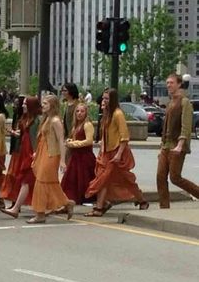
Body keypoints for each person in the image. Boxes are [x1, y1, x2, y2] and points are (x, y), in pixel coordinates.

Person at [85, 88, 148, 216]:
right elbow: (105, 134)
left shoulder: (118, 114)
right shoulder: (107, 114)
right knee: (103, 179)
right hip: (107, 153)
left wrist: (118, 155)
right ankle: (101, 206)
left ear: (112, 100)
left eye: (107, 98)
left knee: (124, 179)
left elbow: (124, 136)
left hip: (117, 152)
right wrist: (102, 150)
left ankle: (141, 200)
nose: (104, 101)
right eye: (103, 98)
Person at [28, 94, 74, 224]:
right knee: (48, 182)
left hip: (51, 154)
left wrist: (63, 161)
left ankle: (40, 213)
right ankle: (66, 203)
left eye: (46, 103)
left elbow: (61, 140)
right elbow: (42, 139)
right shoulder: (46, 119)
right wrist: (37, 152)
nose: (43, 106)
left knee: (42, 182)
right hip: (43, 152)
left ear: (52, 105)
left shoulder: (55, 121)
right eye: (42, 103)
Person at [157, 74, 199, 208]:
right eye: (167, 83)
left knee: (175, 178)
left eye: (171, 83)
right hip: (166, 146)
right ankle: (164, 207)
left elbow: (186, 126)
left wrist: (180, 145)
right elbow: (166, 126)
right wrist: (162, 145)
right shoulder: (170, 102)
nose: (169, 85)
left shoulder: (184, 102)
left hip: (177, 146)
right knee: (160, 176)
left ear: (179, 84)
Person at [1, 96, 41, 219]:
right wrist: (13, 132)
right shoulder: (27, 118)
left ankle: (16, 208)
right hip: (24, 150)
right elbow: (23, 134)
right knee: (31, 181)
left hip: (30, 152)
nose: (23, 106)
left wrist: (35, 153)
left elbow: (35, 138)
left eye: (25, 104)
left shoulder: (36, 121)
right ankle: (55, 204)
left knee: (26, 180)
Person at [60, 103, 96, 205]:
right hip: (76, 156)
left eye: (82, 111)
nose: (79, 113)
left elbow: (89, 141)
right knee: (72, 178)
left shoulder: (87, 124)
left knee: (85, 178)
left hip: (85, 156)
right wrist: (70, 141)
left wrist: (73, 144)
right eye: (77, 111)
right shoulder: (76, 126)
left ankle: (86, 198)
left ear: (86, 113)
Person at [0, 95, 24, 208]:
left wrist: (13, 132)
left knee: (19, 176)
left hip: (22, 151)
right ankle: (14, 201)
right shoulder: (16, 116)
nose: (14, 106)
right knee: (13, 176)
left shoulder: (25, 118)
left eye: (17, 104)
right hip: (16, 150)